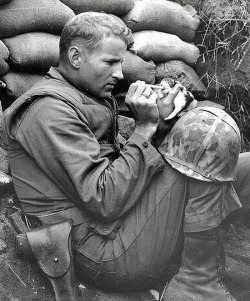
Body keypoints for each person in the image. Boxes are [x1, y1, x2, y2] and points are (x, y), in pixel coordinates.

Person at [2, 12, 250, 301]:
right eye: (110, 62)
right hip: (102, 253)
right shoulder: (46, 111)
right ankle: (195, 285)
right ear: (75, 56)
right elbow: (104, 200)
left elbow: (125, 172)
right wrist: (146, 127)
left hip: (123, 225)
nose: (120, 73)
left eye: (120, 62)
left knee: (246, 167)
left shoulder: (86, 97)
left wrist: (162, 123)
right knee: (206, 136)